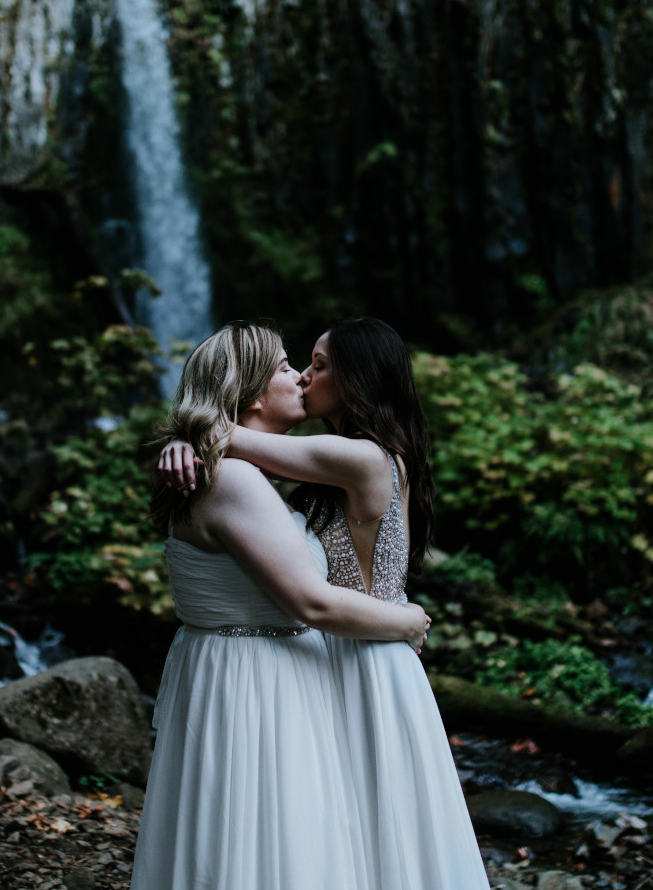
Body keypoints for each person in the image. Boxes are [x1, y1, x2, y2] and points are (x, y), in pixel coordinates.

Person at [159, 316, 490, 890]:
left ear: (357, 378)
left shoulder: (363, 457)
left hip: (370, 655)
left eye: (317, 365)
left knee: (390, 834)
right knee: (355, 837)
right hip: (338, 652)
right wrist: (189, 438)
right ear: (254, 388)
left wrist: (190, 434)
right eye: (296, 366)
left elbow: (231, 438)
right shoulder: (293, 472)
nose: (306, 379)